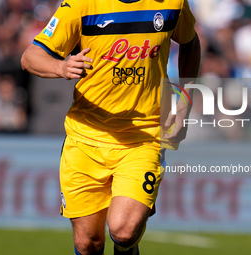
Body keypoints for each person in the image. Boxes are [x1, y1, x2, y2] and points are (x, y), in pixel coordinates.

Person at [21, 0, 200, 254]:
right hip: (85, 138)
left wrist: (185, 98)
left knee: (124, 231)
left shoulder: (172, 2)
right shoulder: (81, 5)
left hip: (143, 137)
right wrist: (60, 66)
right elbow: (30, 57)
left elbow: (190, 42)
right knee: (88, 243)